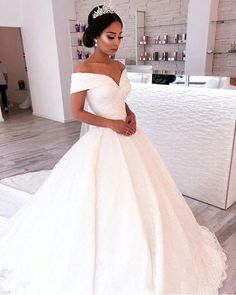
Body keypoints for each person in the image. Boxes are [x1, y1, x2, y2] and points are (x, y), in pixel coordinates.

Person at [0, 5, 228, 295]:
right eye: (111, 36)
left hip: (130, 135)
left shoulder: (119, 66)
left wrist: (129, 113)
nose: (117, 43)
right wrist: (111, 124)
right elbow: (78, 111)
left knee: (145, 193)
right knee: (103, 196)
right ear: (95, 36)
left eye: (120, 36)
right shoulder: (83, 69)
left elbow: (119, 98)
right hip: (104, 138)